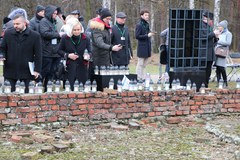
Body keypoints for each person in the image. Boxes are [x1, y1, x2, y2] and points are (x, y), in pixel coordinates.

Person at [0, 14, 42, 93]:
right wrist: (2, 55)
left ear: (24, 23)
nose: (15, 26)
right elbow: (2, 48)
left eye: (17, 24)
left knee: (26, 96)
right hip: (10, 69)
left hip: (26, 71)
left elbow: (38, 54)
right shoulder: (8, 33)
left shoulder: (35, 36)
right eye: (14, 24)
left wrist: (37, 70)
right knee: (9, 95)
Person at [58, 18, 91, 91]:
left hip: (82, 66)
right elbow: (59, 51)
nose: (77, 32)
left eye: (78, 30)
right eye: (74, 30)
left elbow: (90, 51)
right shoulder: (65, 38)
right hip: (70, 66)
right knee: (71, 88)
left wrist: (88, 56)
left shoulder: (86, 38)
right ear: (71, 30)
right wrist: (68, 55)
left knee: (82, 88)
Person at [39, 5, 64, 92]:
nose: (55, 15)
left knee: (52, 72)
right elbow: (44, 33)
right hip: (47, 51)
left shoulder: (54, 22)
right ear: (49, 13)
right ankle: (39, 87)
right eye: (54, 13)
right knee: (45, 71)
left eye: (56, 14)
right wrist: (58, 35)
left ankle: (47, 88)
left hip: (55, 52)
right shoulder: (44, 21)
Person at [135, 9, 155, 80]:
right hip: (142, 47)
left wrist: (151, 33)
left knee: (145, 64)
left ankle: (142, 77)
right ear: (141, 16)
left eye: (148, 15)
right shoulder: (139, 25)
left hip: (148, 46)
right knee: (140, 63)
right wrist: (147, 35)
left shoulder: (147, 24)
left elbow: (147, 33)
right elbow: (137, 36)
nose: (147, 17)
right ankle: (138, 77)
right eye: (145, 15)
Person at [214, 20, 232, 87]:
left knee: (221, 67)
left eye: (220, 26)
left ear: (223, 27)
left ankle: (225, 82)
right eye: (218, 26)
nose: (218, 27)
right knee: (217, 68)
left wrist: (218, 41)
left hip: (222, 52)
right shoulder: (219, 33)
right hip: (216, 52)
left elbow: (228, 43)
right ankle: (219, 83)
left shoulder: (228, 33)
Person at [201, 11, 216, 88]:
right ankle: (203, 85)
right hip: (203, 52)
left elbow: (211, 39)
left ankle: (206, 84)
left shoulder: (209, 26)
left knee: (208, 70)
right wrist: (213, 34)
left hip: (210, 52)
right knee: (203, 70)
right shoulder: (200, 26)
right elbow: (202, 37)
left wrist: (216, 38)